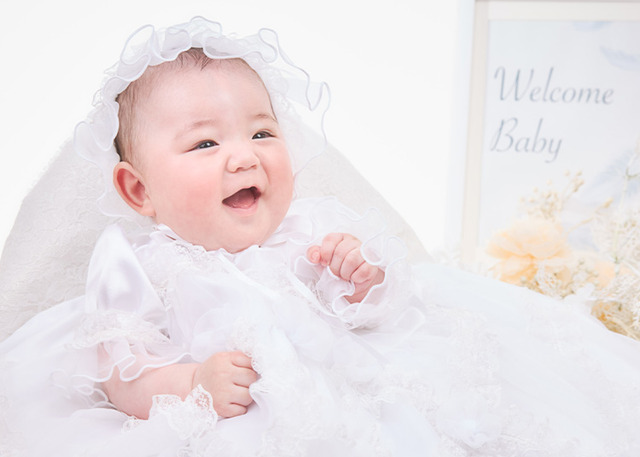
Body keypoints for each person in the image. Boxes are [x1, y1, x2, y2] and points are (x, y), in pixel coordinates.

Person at [1, 17, 640, 457]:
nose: (244, 156)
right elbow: (122, 374)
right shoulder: (138, 266)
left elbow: (383, 318)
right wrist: (193, 383)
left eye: (261, 132)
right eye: (204, 143)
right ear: (138, 190)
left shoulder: (307, 230)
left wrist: (361, 278)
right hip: (235, 420)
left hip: (351, 395)